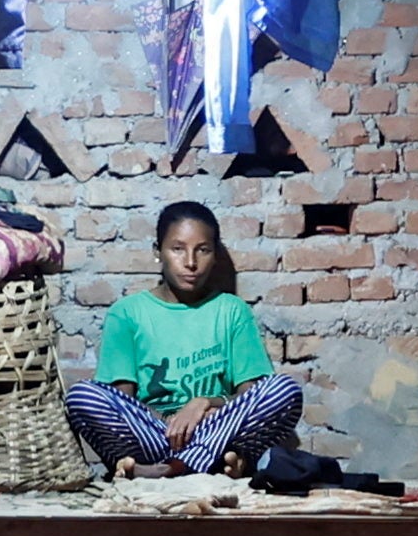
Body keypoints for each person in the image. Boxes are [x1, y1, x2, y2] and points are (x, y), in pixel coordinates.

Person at [68, 199, 304, 477]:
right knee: (81, 396)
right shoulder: (128, 313)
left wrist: (205, 405)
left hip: (217, 428)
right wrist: (174, 422)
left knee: (284, 390)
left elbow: (249, 396)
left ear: (214, 255)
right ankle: (209, 464)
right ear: (159, 252)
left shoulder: (232, 311)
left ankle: (174, 469)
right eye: (178, 249)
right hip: (154, 436)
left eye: (202, 250)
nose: (190, 262)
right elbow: (123, 402)